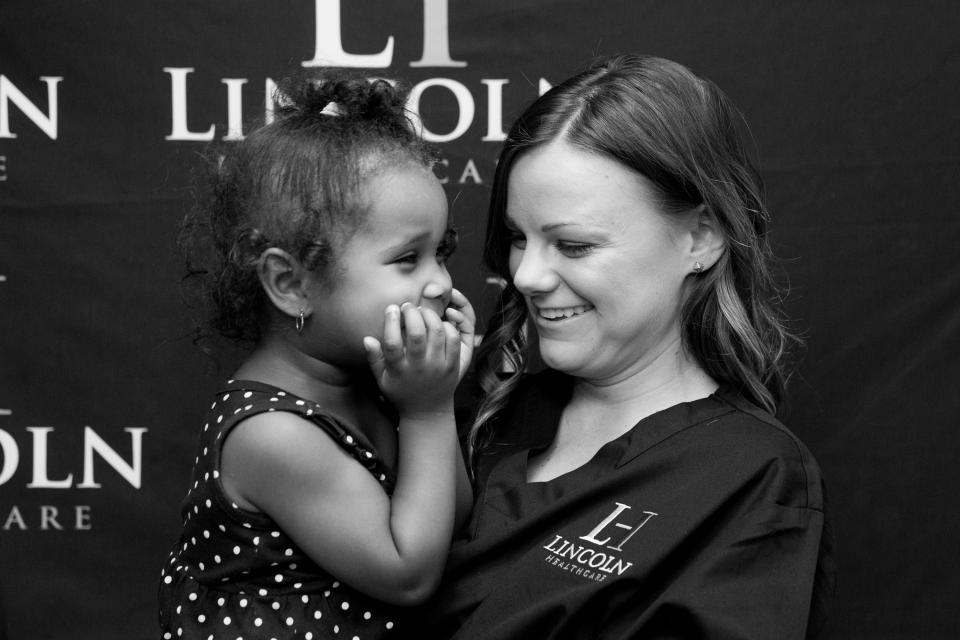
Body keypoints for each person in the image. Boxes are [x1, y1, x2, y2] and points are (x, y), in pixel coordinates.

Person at [425, 54, 834, 639]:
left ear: (702, 236)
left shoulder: (750, 476)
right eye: (519, 238)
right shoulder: (478, 412)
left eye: (574, 245)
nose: (528, 275)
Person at [158, 69, 475, 639]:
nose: (439, 283)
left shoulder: (375, 376)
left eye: (442, 253)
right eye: (408, 259)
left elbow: (451, 522)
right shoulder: (273, 434)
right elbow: (408, 572)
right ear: (291, 283)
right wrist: (428, 411)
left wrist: (437, 396)